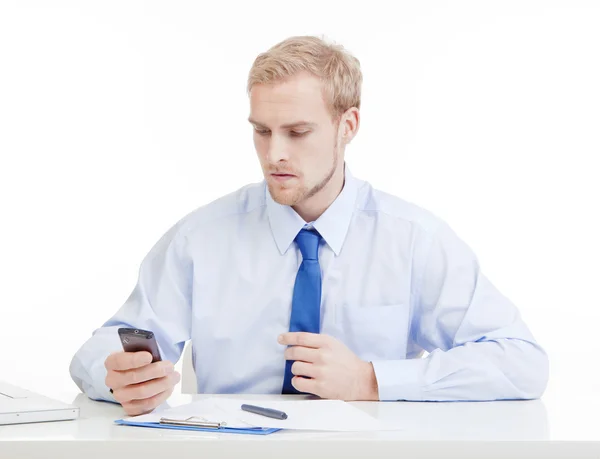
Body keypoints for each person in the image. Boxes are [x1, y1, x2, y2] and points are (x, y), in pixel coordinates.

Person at [70, 35, 549, 416]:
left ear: (348, 126)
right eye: (261, 130)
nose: (274, 152)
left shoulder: (413, 240)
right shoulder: (201, 238)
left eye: (297, 132)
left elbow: (521, 363)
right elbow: (96, 352)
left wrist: (371, 380)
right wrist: (116, 376)